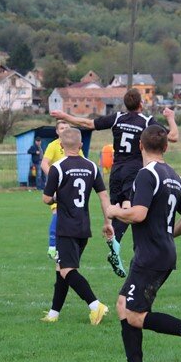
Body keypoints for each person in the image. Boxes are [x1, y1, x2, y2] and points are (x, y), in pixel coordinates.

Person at [108, 125, 181, 362]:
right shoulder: (175, 176)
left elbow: (138, 214)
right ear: (166, 147)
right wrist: (168, 234)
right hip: (160, 252)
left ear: (140, 146)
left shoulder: (147, 175)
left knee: (134, 316)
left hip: (151, 256)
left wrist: (115, 212)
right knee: (123, 305)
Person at [52, 90, 179, 279]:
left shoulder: (118, 118)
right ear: (140, 104)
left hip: (116, 170)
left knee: (117, 207)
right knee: (130, 208)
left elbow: (88, 123)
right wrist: (170, 118)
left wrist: (65, 116)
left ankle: (114, 242)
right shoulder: (146, 121)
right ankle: (118, 246)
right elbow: (174, 136)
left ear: (125, 104)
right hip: (134, 170)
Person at [40, 128, 114, 325]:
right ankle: (53, 314)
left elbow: (46, 198)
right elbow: (103, 196)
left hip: (65, 227)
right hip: (83, 227)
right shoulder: (91, 166)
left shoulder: (58, 167)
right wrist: (108, 222)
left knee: (66, 270)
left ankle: (95, 305)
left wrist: (57, 197)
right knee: (61, 268)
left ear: (61, 146)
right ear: (81, 145)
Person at [40, 120, 80, 261]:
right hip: (58, 186)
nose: (64, 130)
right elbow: (44, 163)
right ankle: (52, 246)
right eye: (62, 128)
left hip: (72, 187)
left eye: (67, 127)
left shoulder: (75, 145)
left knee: (70, 214)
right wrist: (54, 177)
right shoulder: (53, 145)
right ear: (57, 132)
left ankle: (67, 245)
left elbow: (81, 162)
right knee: (57, 211)